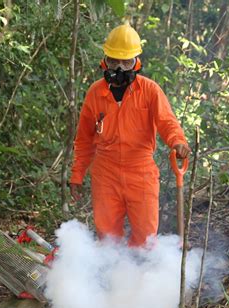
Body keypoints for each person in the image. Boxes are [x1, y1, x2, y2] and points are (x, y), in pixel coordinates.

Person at [69, 22, 190, 247]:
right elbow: (84, 139)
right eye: (115, 61)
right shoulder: (95, 93)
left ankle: (141, 279)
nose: (120, 68)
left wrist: (178, 142)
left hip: (141, 171)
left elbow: (167, 121)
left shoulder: (150, 90)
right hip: (105, 173)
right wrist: (77, 175)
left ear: (136, 62)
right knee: (107, 237)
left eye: (126, 62)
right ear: (105, 60)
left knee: (145, 238)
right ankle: (112, 278)